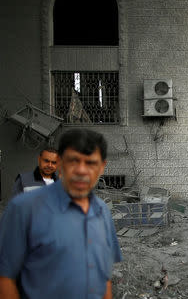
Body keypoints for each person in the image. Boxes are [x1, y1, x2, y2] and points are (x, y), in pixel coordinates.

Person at [0, 128, 122, 299]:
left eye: (90, 163)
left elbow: (104, 277)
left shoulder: (102, 211)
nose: (81, 170)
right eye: (73, 161)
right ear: (61, 164)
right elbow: (5, 278)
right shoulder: (23, 209)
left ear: (102, 167)